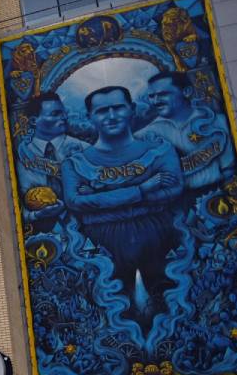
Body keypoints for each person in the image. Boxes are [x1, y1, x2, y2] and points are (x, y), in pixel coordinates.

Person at [61, 86, 183, 324]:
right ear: (90, 117)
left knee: (170, 303)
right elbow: (75, 201)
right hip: (101, 243)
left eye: (118, 108)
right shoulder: (74, 164)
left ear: (132, 110)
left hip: (159, 235)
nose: (111, 116)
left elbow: (175, 188)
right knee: (112, 310)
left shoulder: (159, 150)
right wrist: (142, 189)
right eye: (102, 111)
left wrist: (104, 194)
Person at [139, 71, 236, 202]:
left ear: (187, 92)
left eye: (163, 94)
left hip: (222, 194)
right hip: (176, 204)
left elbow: (230, 169)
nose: (156, 101)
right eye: (152, 96)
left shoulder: (218, 122)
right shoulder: (145, 135)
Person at [15, 91, 87, 231]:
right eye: (55, 114)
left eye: (64, 112)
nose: (64, 117)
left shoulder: (84, 149)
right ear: (34, 121)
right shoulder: (22, 156)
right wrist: (36, 215)